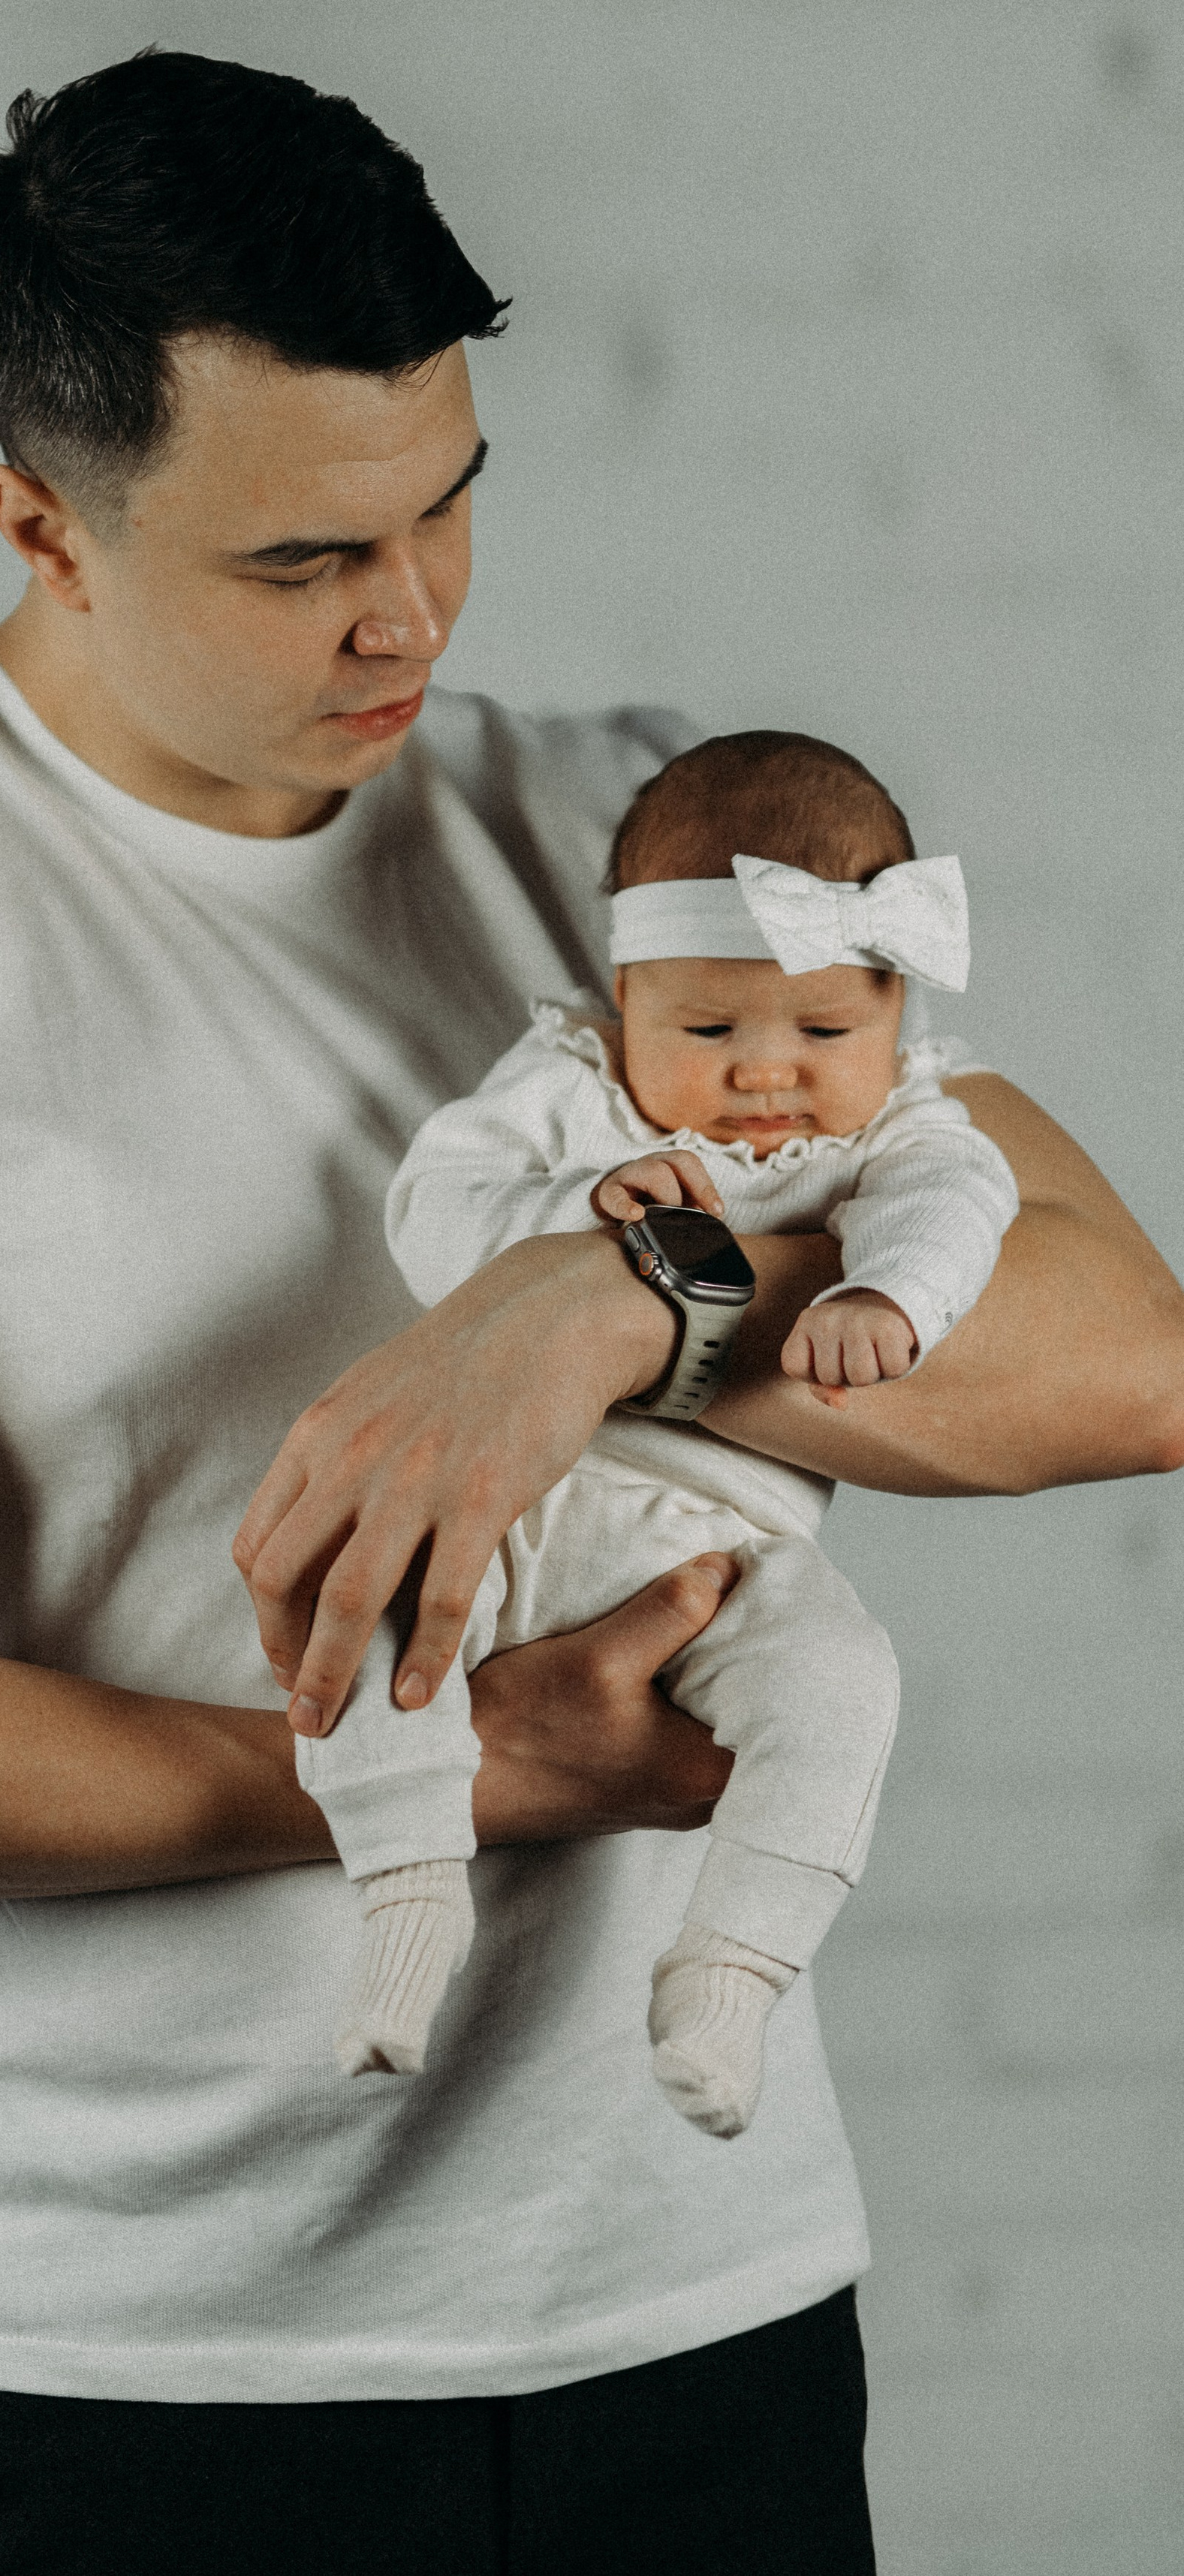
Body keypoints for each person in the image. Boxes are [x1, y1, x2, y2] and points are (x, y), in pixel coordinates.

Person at [0, 51, 1184, 2576]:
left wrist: (615, 1301)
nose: (407, 614)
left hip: (692, 2326)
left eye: (450, 506)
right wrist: (471, 1763)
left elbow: (1124, 1351)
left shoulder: (623, 841)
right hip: (120, 2378)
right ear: (37, 525)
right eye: (302, 560)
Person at [301, 731, 1018, 2133]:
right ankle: (405, 1898)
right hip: (523, 1497)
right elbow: (435, 1207)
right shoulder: (576, 1093)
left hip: (733, 1553)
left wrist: (888, 1294)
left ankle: (729, 1970)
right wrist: (581, 1202)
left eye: (824, 1032)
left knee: (844, 1685)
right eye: (708, 1032)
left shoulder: (896, 1132)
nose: (767, 1075)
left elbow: (961, 1205)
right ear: (623, 1003)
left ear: (892, 1010)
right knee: (375, 1606)